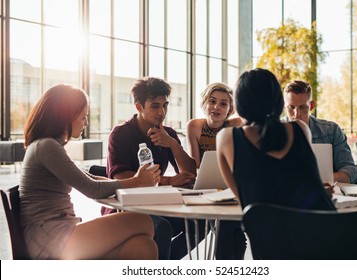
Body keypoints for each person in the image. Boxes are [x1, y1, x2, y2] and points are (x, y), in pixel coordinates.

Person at [19, 84, 160, 260]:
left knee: (143, 247)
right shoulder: (46, 147)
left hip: (56, 234)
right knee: (142, 221)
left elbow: (90, 178)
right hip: (50, 239)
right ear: (66, 115)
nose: (86, 123)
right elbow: (92, 188)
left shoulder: (48, 145)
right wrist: (137, 181)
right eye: (84, 117)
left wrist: (132, 181)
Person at [105, 77, 203, 260]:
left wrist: (173, 144)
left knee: (202, 222)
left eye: (165, 105)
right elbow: (120, 177)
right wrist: (168, 181)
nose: (162, 112)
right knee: (162, 228)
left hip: (157, 204)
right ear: (139, 107)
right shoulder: (120, 134)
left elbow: (190, 171)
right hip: (126, 207)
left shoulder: (168, 134)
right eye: (155, 106)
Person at [216, 68, 336, 212]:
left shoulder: (226, 138)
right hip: (324, 228)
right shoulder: (301, 129)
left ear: (238, 104)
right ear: (279, 101)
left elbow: (247, 200)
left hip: (270, 232)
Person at [186, 82, 246, 259]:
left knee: (233, 230)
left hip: (232, 187)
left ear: (230, 109)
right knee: (228, 229)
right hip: (207, 188)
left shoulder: (235, 124)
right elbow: (196, 165)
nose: (216, 107)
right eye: (212, 101)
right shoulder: (194, 126)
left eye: (223, 103)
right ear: (204, 103)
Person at [283, 80, 357, 184]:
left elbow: (351, 172)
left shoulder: (332, 131)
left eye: (302, 107)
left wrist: (321, 179)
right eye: (291, 107)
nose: (296, 114)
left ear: (312, 105)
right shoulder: (273, 131)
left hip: (323, 193)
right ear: (284, 106)